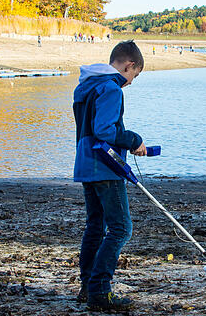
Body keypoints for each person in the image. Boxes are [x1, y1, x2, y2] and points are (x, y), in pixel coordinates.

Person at [72, 40, 146, 312]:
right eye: (133, 76)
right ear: (129, 65)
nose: (130, 82)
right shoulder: (111, 88)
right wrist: (133, 140)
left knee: (95, 225)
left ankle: (87, 286)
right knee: (121, 228)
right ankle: (100, 290)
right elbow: (104, 130)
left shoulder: (86, 84)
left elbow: (89, 128)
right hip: (104, 165)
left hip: (85, 162)